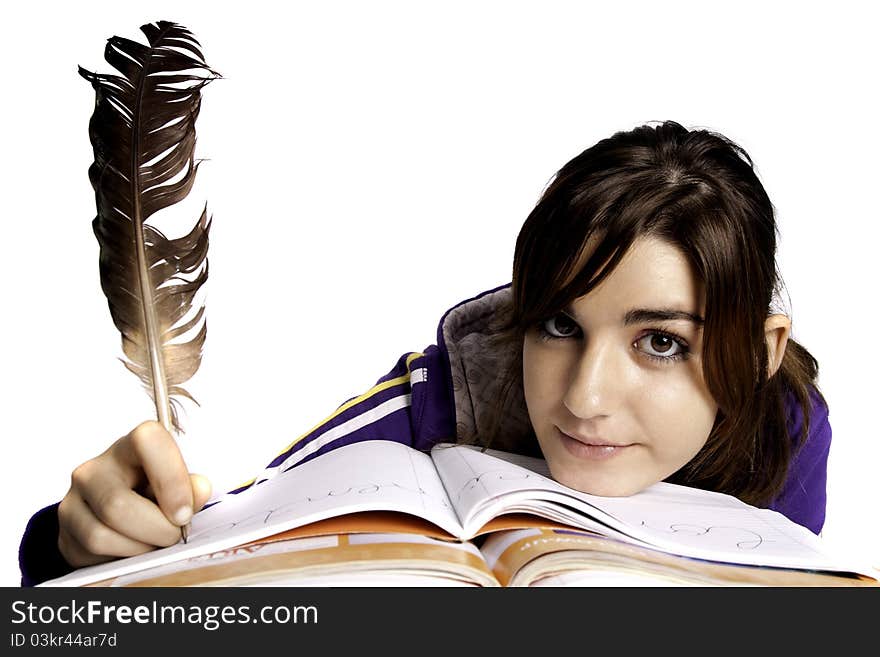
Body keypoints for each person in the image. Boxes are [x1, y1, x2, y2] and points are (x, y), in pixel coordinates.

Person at [18, 120, 831, 586]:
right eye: (557, 324)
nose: (586, 396)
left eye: (660, 342)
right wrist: (66, 542)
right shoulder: (431, 406)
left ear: (759, 353)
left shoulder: (788, 430)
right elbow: (220, 551)